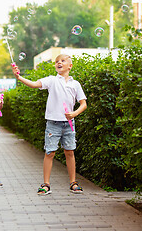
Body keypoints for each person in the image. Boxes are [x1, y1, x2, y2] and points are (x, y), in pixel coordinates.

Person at [11, 54, 87, 195]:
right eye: (57, 61)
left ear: (70, 66)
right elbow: (34, 84)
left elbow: (83, 104)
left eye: (63, 61)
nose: (59, 63)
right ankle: (46, 184)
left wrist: (74, 113)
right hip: (53, 123)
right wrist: (19, 78)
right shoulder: (52, 80)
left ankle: (73, 183)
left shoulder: (75, 84)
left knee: (69, 152)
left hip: (69, 123)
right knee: (49, 152)